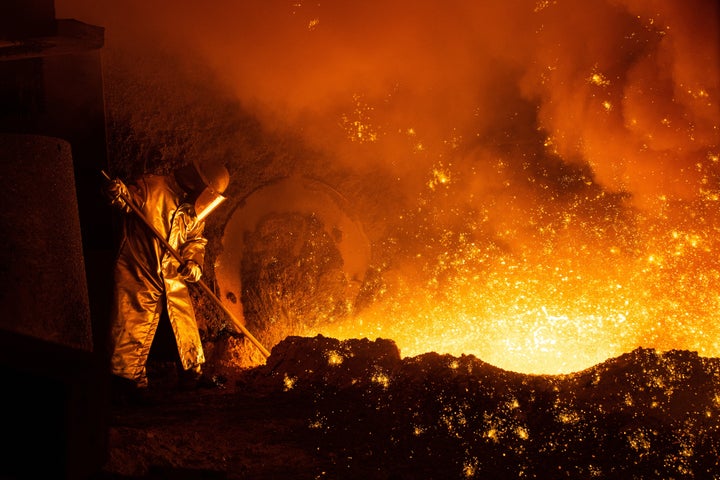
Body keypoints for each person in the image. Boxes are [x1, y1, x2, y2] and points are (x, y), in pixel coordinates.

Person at [104, 160, 230, 393]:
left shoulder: (192, 209)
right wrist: (118, 193)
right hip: (139, 273)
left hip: (172, 279)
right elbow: (126, 201)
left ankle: (192, 373)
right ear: (199, 183)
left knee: (182, 327)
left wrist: (194, 263)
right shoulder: (151, 188)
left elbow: (195, 241)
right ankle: (129, 383)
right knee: (131, 331)